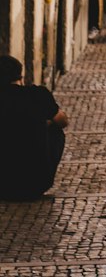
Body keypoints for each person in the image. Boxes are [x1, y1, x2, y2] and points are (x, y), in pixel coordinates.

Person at [0, 55, 69, 200]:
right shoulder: (38, 94)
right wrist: (44, 123)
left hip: (2, 186)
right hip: (35, 184)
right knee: (56, 131)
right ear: (21, 77)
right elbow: (62, 121)